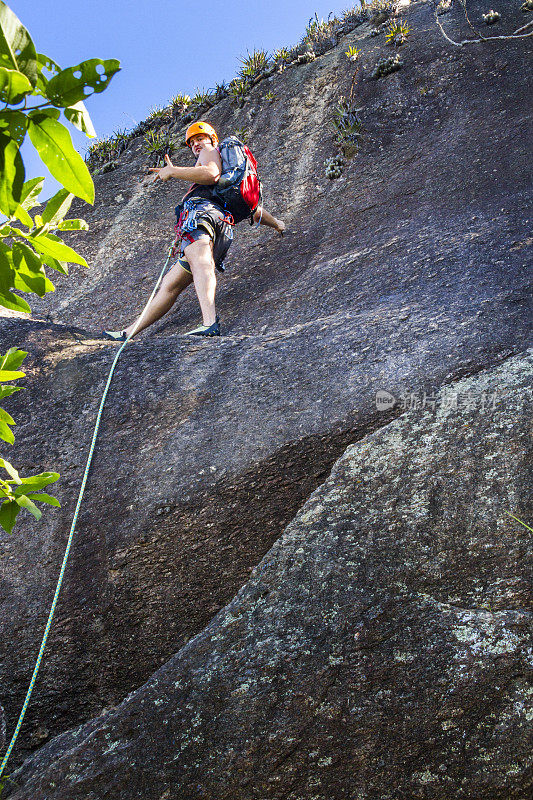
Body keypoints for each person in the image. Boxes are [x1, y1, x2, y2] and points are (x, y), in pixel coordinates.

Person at [103, 121, 285, 340]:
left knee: (200, 263)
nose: (197, 144)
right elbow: (255, 212)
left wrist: (173, 171)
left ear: (212, 139)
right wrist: (277, 224)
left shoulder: (210, 153)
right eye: (192, 142)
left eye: (201, 138)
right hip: (213, 226)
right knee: (170, 284)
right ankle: (128, 332)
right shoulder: (225, 181)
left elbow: (211, 174)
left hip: (202, 218)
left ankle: (210, 323)